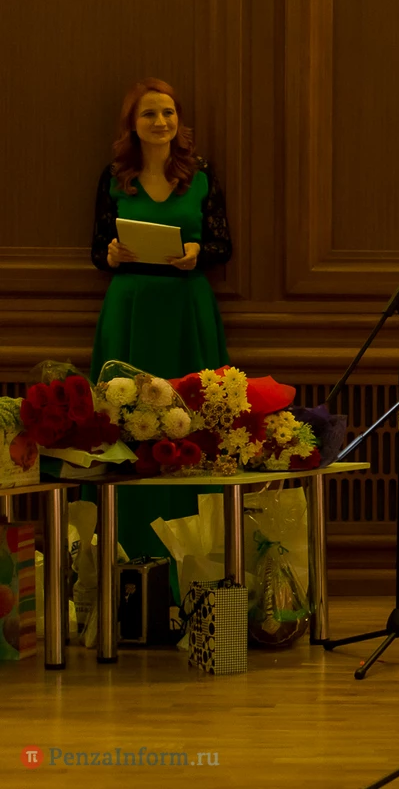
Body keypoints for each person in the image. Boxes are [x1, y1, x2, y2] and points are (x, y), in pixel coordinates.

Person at [90, 78, 233, 585]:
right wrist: (111, 253)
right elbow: (97, 250)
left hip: (185, 308)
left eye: (168, 113)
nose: (161, 122)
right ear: (133, 124)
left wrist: (198, 252)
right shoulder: (115, 178)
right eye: (149, 114)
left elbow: (223, 245)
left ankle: (198, 568)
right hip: (129, 307)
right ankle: (126, 557)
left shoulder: (200, 176)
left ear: (179, 121)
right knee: (126, 425)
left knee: (192, 420)